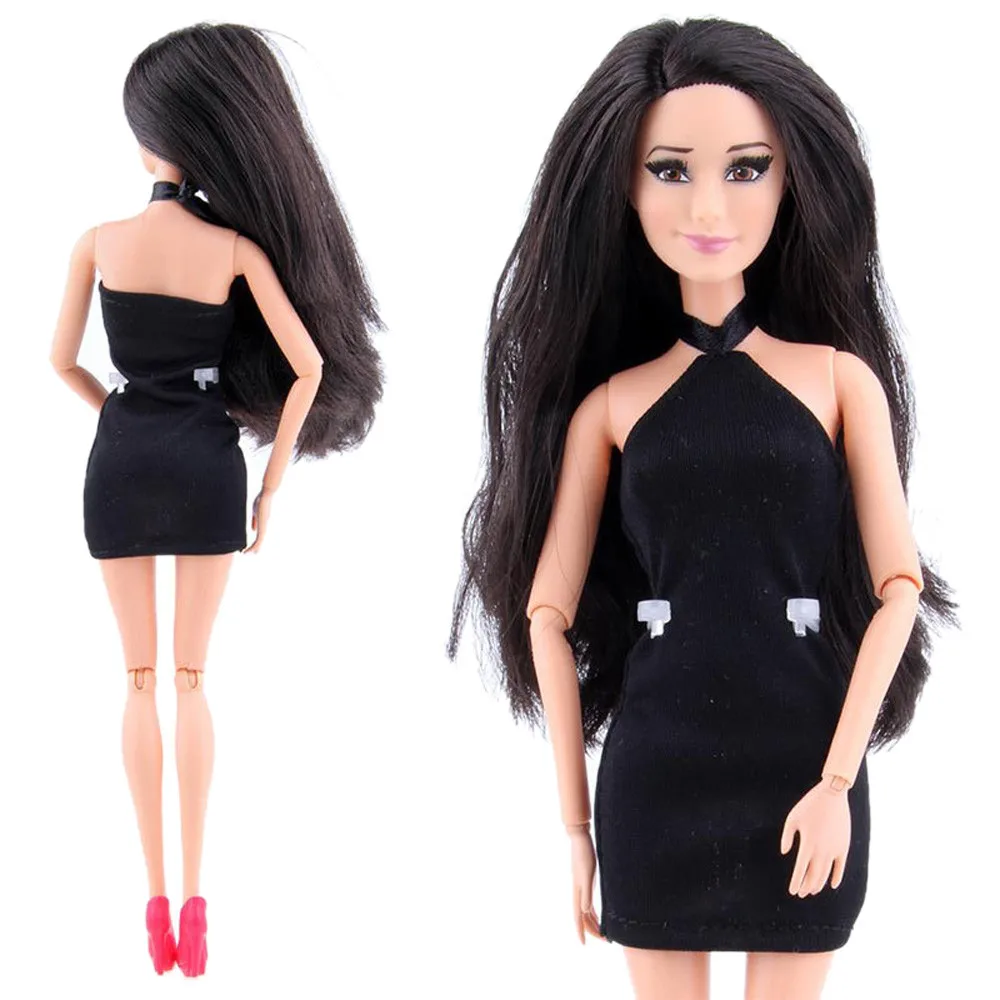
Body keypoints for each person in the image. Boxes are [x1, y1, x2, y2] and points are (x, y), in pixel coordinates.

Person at [447, 17, 957, 1000]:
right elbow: (546, 614)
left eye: (747, 168)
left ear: (793, 178)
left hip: (805, 765)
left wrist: (837, 781)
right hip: (655, 777)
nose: (709, 206)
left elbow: (900, 587)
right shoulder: (612, 406)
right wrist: (575, 828)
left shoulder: (838, 382)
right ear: (624, 188)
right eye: (671, 171)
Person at [49, 22, 383, 976]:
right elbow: (309, 367)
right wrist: (271, 485)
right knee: (192, 679)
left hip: (122, 461)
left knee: (137, 680)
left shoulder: (98, 243)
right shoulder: (234, 248)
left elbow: (60, 361)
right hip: (205, 464)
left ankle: (153, 898)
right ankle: (196, 901)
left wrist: (123, 416)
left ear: (149, 138)